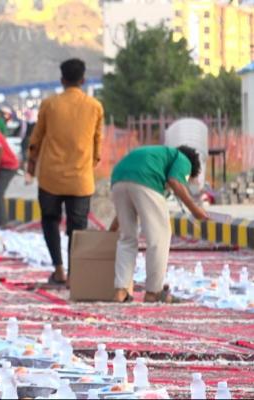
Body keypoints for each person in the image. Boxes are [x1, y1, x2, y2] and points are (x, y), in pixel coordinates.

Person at [27, 58, 103, 285]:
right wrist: (89, 165)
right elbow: (98, 144)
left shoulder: (49, 104)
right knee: (77, 228)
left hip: (50, 177)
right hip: (80, 179)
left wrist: (31, 162)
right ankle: (73, 275)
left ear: (62, 80)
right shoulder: (95, 107)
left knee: (50, 221)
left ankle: (58, 269)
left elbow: (36, 138)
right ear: (83, 80)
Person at [110, 145, 208, 303]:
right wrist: (195, 209)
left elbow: (131, 192)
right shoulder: (182, 159)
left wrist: (112, 229)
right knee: (159, 237)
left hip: (118, 179)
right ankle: (153, 292)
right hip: (146, 181)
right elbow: (175, 181)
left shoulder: (156, 157)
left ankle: (120, 291)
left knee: (127, 238)